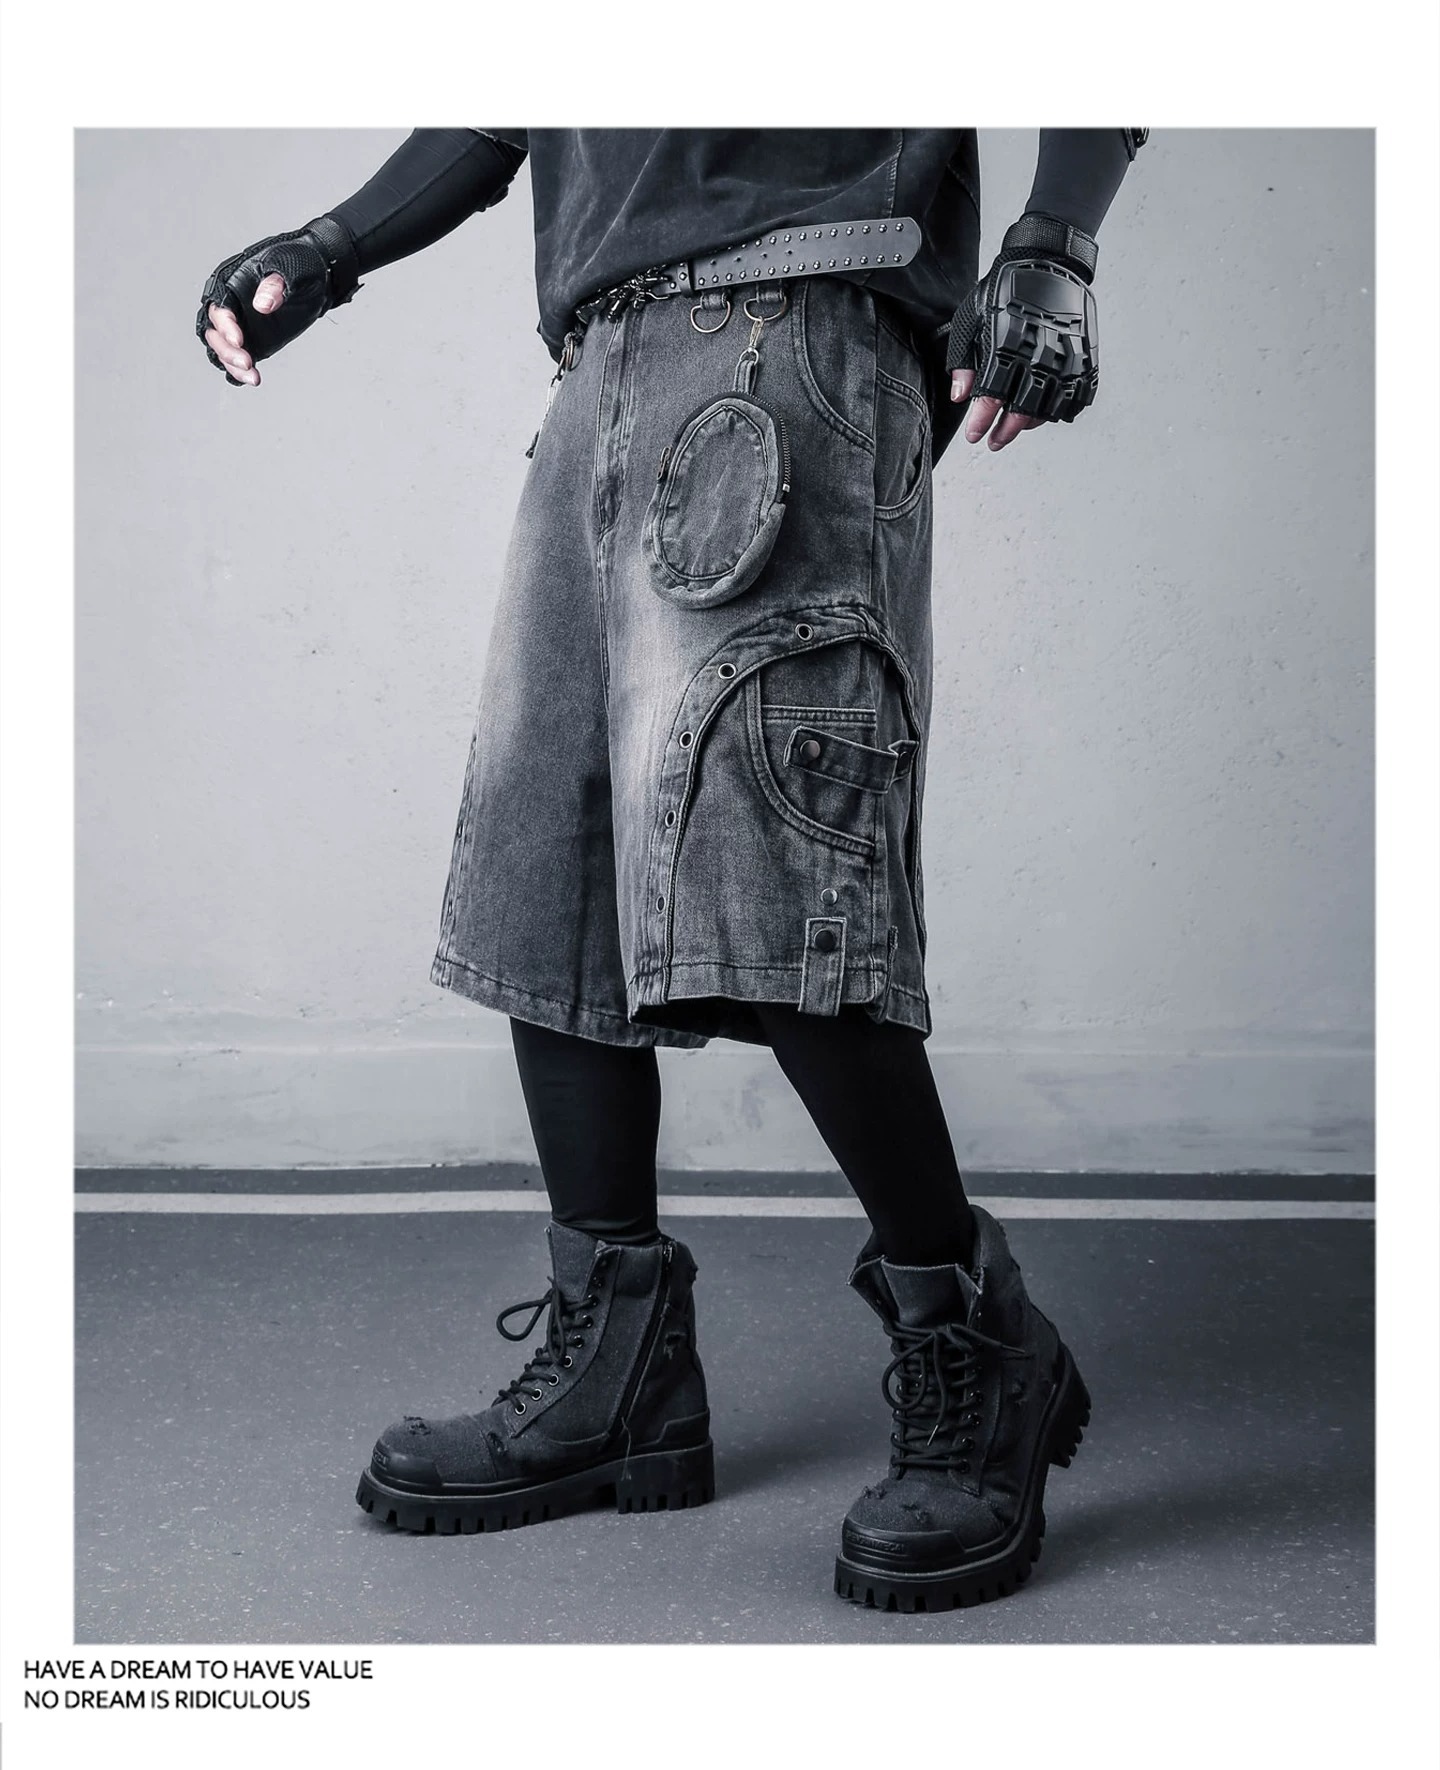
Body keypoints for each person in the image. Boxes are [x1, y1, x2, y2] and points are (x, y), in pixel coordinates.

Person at [197, 127, 1146, 1613]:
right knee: (552, 871)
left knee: (780, 874)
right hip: (601, 362)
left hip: (804, 324)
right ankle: (620, 1365)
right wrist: (333, 245)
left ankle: (976, 1340)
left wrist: (1059, 242)